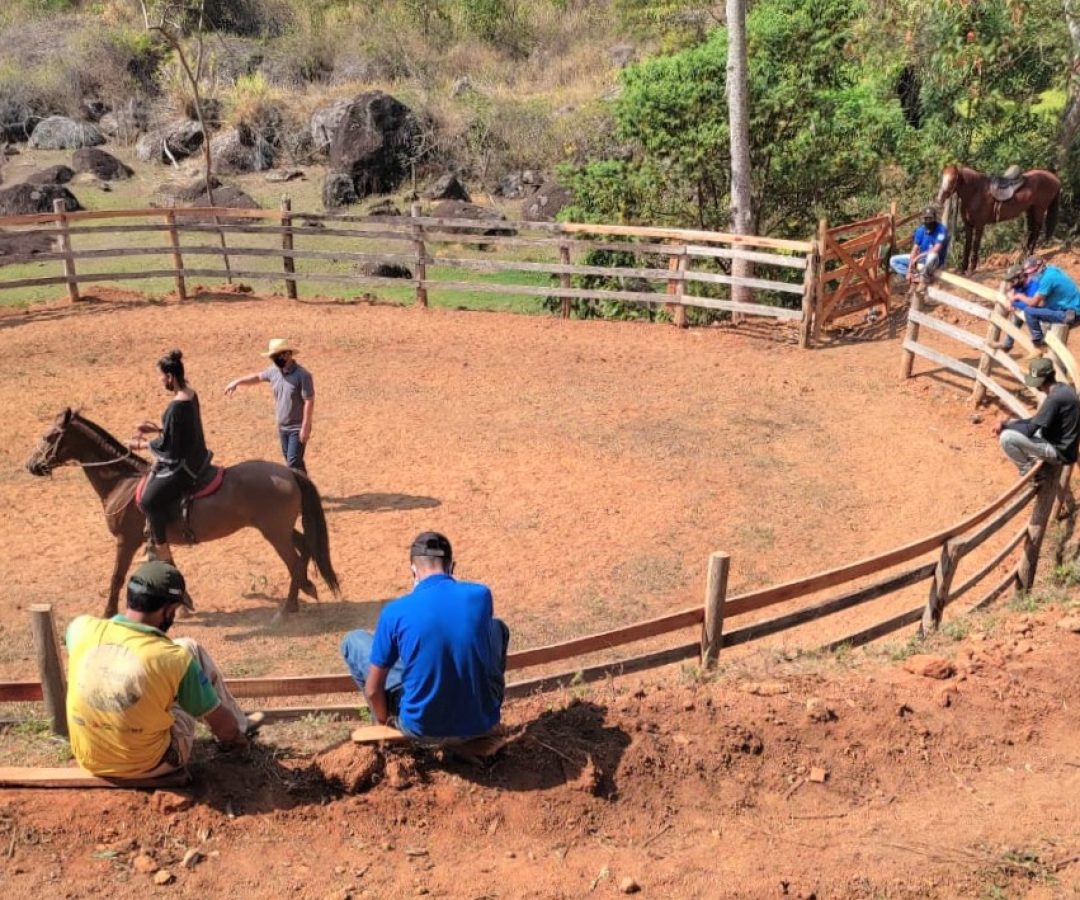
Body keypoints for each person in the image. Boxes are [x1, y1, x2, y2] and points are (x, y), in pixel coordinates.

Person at [65, 560, 262, 778]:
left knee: (179, 657)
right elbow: (222, 726)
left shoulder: (79, 628)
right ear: (168, 610)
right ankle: (240, 730)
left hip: (90, 759)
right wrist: (233, 736)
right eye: (175, 610)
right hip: (149, 764)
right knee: (188, 660)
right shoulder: (174, 659)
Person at [340, 532, 510, 744]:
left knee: (353, 641)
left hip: (421, 728)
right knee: (497, 627)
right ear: (452, 567)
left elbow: (373, 689)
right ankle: (484, 707)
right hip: (478, 724)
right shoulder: (481, 595)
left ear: (413, 570)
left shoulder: (395, 611)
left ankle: (384, 734)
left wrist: (383, 725)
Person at [128, 349, 211, 564]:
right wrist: (156, 431)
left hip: (184, 465)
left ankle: (161, 551)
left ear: (171, 377)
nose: (160, 380)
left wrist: (143, 444)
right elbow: (181, 432)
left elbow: (172, 448)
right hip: (197, 455)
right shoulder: (191, 394)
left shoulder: (176, 406)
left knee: (148, 500)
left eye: (162, 376)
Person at [224, 338, 315, 473]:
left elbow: (309, 401)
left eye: (276, 356)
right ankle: (308, 490)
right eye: (272, 357)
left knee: (292, 464)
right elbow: (258, 377)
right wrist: (237, 382)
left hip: (297, 427)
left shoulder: (303, 375)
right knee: (295, 462)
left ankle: (299, 493)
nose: (274, 360)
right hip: (282, 427)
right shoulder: (274, 371)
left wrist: (305, 427)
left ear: (287, 354)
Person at [995, 357, 1080, 476]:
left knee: (1006, 438)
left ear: (1040, 382)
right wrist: (1010, 423)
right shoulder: (1063, 389)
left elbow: (1030, 430)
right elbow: (1038, 421)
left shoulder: (1054, 399)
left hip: (1060, 452)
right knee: (1016, 426)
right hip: (1064, 444)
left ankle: (1031, 473)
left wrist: (1005, 426)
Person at [1007, 256, 1080, 351]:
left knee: (1029, 311)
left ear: (1038, 267)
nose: (1030, 275)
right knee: (1038, 310)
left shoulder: (1047, 279)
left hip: (1071, 313)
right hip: (1070, 309)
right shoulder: (1051, 270)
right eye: (1028, 273)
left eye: (1031, 273)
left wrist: (1018, 297)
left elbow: (1033, 302)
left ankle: (1038, 342)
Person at [889, 206, 949, 284]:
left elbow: (936, 249)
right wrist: (910, 269)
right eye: (926, 218)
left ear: (934, 218)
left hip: (935, 260)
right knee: (893, 260)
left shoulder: (941, 229)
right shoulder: (920, 230)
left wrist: (918, 256)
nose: (928, 221)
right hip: (921, 260)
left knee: (933, 255)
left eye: (930, 218)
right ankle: (913, 275)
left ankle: (925, 277)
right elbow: (914, 249)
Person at [994, 262, 1042, 353]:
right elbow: (1012, 294)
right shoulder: (1020, 284)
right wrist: (1009, 300)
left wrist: (1014, 301)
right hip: (1032, 312)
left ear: (1020, 276)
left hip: (1045, 313)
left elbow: (1031, 304)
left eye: (1012, 280)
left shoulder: (1034, 284)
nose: (1011, 283)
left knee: (1044, 336)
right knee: (1017, 317)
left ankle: (1040, 352)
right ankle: (1007, 344)